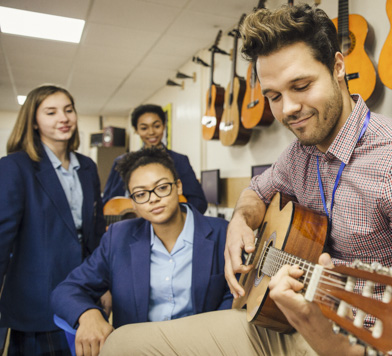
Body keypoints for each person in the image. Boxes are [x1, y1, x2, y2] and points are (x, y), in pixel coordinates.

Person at [100, 4, 392, 356]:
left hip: (364, 341)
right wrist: (240, 223)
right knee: (122, 344)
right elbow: (256, 192)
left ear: (338, 67)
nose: (288, 110)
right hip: (283, 321)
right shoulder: (299, 154)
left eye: (301, 86)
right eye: (274, 96)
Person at [52, 147, 232, 356]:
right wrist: (89, 314)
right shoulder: (118, 238)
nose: (153, 199)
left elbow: (237, 293)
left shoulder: (222, 232)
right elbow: (67, 290)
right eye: (141, 194)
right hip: (139, 349)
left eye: (162, 187)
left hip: (203, 349)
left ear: (178, 187)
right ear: (133, 203)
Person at [0, 84, 106, 355]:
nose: (63, 118)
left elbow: (94, 235)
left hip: (84, 297)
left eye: (68, 110)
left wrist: (106, 285)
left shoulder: (87, 167)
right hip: (37, 301)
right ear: (33, 121)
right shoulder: (15, 166)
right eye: (51, 112)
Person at [102, 104, 208, 214]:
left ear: (164, 126)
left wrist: (175, 218)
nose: (151, 132)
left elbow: (199, 202)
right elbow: (108, 202)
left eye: (156, 126)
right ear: (136, 130)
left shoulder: (179, 160)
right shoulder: (122, 162)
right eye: (144, 128)